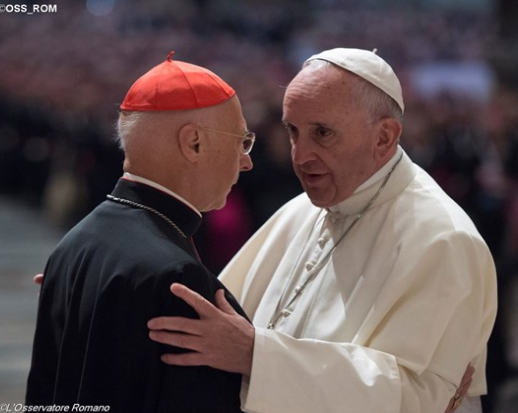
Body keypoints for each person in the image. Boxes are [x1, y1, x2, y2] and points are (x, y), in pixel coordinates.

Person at [147, 48, 498, 413]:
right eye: (293, 131)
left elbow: (421, 398)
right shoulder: (301, 211)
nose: (299, 156)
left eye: (322, 133)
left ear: (384, 137)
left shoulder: (444, 240)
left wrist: (255, 355)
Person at [26, 51, 255, 412]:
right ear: (193, 142)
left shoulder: (72, 244)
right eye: (240, 141)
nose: (246, 161)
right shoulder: (178, 278)